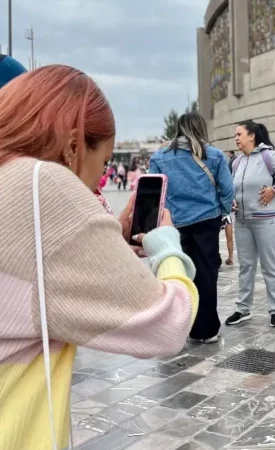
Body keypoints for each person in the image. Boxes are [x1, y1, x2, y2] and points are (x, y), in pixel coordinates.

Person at [0, 64, 199, 450]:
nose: (98, 179)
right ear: (73, 145)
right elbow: (167, 323)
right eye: (104, 162)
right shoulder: (41, 183)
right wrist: (168, 247)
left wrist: (108, 247)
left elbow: (28, 282)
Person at [149, 113, 234, 344]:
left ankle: (177, 329)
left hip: (174, 222)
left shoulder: (161, 156)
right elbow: (227, 189)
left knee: (176, 273)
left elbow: (154, 190)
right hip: (207, 220)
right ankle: (205, 330)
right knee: (206, 274)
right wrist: (222, 210)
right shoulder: (214, 155)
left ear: (179, 129)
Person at [225, 120, 275, 328]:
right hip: (242, 220)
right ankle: (242, 309)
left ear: (251, 136)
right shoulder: (237, 162)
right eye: (235, 135)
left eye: (239, 134)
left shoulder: (268, 156)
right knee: (245, 266)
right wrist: (232, 200)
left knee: (269, 265)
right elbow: (233, 186)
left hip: (267, 219)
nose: (236, 138)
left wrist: (274, 190)